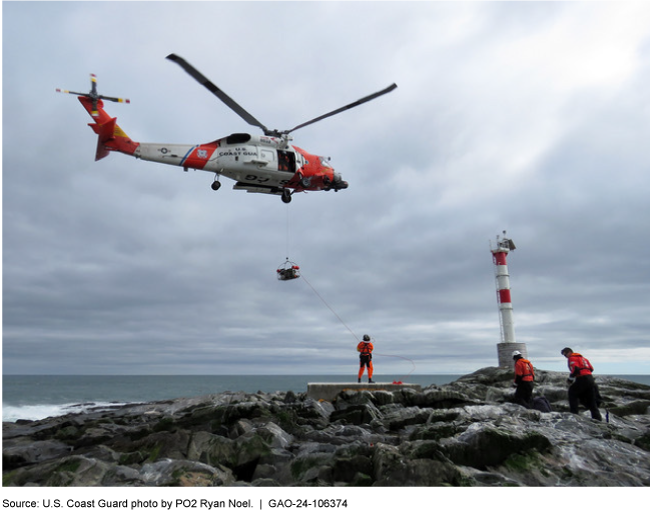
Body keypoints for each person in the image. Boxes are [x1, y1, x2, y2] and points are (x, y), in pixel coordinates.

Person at [561, 347, 602, 421]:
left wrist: (570, 379)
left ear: (569, 352)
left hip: (582, 378)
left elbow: (575, 369)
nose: (565, 357)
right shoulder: (583, 358)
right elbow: (591, 369)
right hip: (590, 379)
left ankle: (574, 414)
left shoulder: (572, 358)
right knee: (591, 400)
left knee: (572, 392)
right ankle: (597, 419)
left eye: (565, 354)